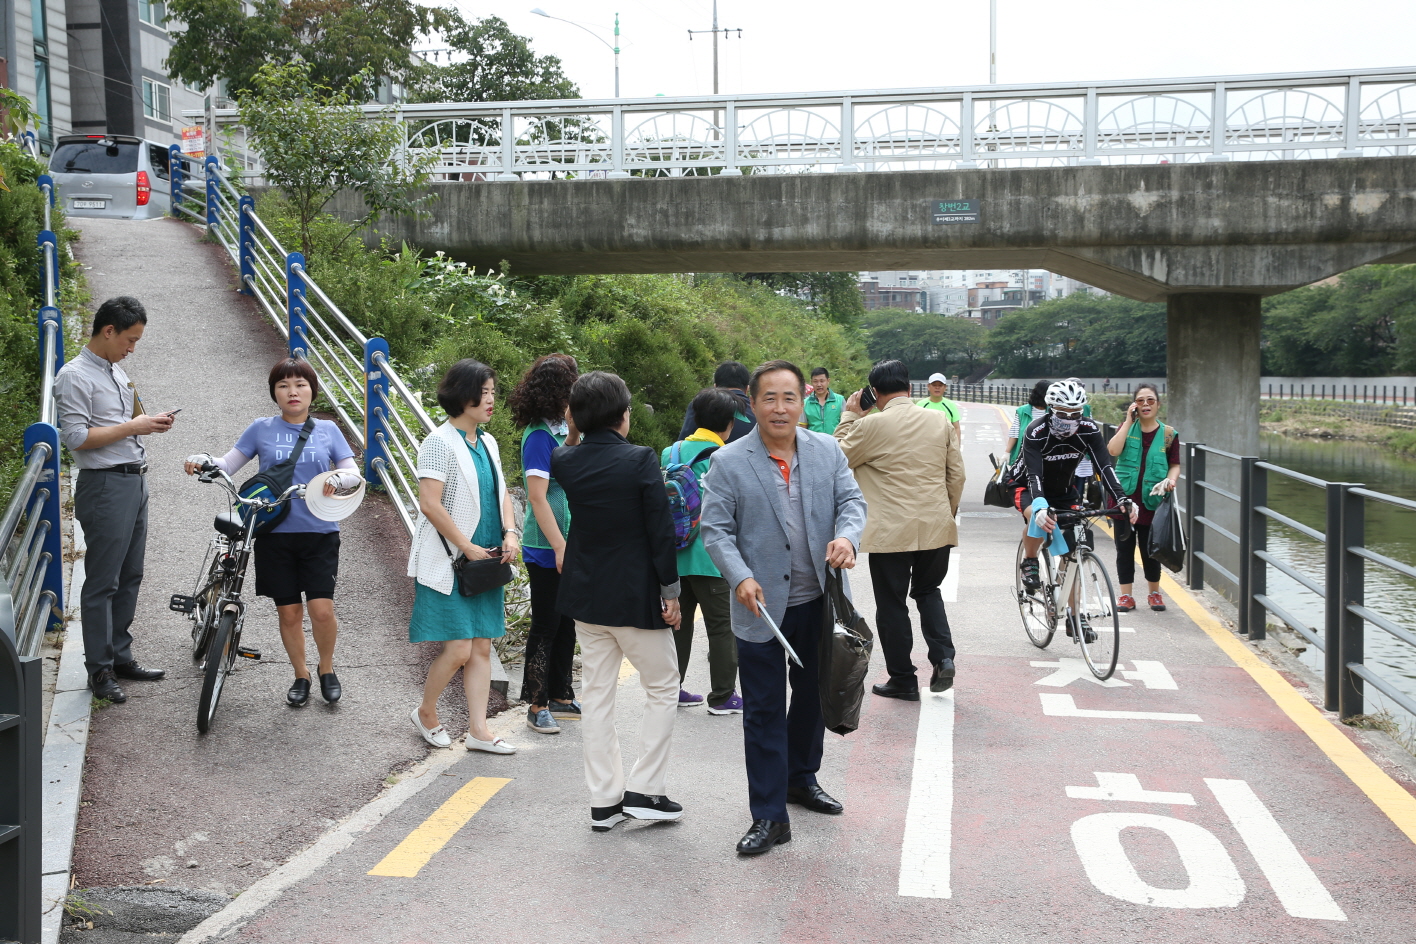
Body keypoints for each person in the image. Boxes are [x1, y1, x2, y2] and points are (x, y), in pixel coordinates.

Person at [701, 360, 867, 857]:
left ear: (803, 402)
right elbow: (716, 531)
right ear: (751, 404)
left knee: (814, 697)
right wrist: (740, 576)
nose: (779, 407)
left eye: (788, 397)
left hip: (819, 602)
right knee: (764, 710)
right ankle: (769, 814)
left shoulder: (827, 449)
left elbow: (852, 502)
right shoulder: (728, 461)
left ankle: (801, 778)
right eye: (769, 398)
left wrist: (846, 537)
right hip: (761, 609)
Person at [184, 358, 361, 706]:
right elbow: (228, 463)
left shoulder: (327, 430)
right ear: (274, 393)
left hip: (320, 532)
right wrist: (201, 459)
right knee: (289, 612)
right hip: (273, 532)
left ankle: (326, 668)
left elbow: (352, 472)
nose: (292, 392)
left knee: (322, 610)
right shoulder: (261, 429)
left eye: (300, 385)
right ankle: (301, 675)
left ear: (312, 391)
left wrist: (339, 479)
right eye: (283, 385)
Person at [553, 371, 685, 832]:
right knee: (663, 685)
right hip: (634, 596)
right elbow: (660, 530)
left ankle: (605, 801)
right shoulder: (640, 459)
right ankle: (645, 789)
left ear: (578, 416)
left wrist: (574, 428)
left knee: (596, 696)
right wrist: (671, 591)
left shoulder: (564, 459)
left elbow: (568, 448)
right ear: (623, 414)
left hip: (587, 599)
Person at [54, 296, 173, 703]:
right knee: (103, 581)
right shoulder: (74, 376)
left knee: (130, 574)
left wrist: (147, 424)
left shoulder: (115, 370)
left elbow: (123, 424)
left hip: (134, 481)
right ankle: (100, 669)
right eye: (130, 339)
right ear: (108, 331)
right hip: (105, 485)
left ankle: (121, 657)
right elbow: (75, 438)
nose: (132, 349)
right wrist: (134, 426)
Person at [407, 359, 521, 755]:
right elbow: (429, 503)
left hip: (487, 559)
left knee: (482, 648)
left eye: (493, 392)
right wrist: (466, 545)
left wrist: (510, 531)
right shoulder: (438, 442)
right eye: (484, 393)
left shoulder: (487, 442)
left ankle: (479, 731)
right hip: (452, 558)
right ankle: (426, 711)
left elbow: (501, 494)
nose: (491, 400)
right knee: (459, 649)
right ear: (463, 395)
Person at [836, 359, 966, 699]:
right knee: (928, 592)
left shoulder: (870, 425)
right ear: (910, 388)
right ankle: (943, 657)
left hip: (889, 533)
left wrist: (850, 416)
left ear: (874, 392)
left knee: (892, 605)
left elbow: (836, 459)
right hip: (936, 525)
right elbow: (957, 475)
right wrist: (946, 513)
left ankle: (903, 680)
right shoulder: (939, 420)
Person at [508, 354, 582, 735]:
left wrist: (573, 432)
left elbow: (569, 464)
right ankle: (536, 703)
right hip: (545, 546)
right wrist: (559, 547)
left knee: (567, 620)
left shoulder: (560, 430)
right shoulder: (538, 436)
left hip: (566, 540)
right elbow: (537, 497)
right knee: (546, 624)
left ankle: (561, 693)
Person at [1016, 380, 1136, 603]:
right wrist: (1040, 506)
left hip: (1064, 490)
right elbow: (1034, 475)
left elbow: (1105, 467)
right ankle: (1030, 560)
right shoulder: (1036, 431)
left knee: (1073, 551)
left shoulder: (1088, 429)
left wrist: (1122, 498)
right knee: (1037, 516)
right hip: (1027, 486)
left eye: (1076, 414)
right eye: (1063, 413)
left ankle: (1071, 612)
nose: (1070, 419)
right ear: (1051, 409)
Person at [661, 388, 742, 714]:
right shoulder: (728, 457)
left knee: (678, 625)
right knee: (721, 628)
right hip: (711, 558)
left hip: (674, 557)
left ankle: (672, 690)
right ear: (729, 424)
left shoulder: (670, 453)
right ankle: (722, 697)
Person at [1107, 383, 1181, 613]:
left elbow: (1175, 465)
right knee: (1124, 550)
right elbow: (1113, 450)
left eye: (1150, 400)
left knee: (1152, 550)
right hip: (1124, 501)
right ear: (1134, 405)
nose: (1146, 404)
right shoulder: (1126, 428)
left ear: (1158, 404)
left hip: (1152, 502)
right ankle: (1126, 596)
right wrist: (1128, 422)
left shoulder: (1169, 434)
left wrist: (1170, 480)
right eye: (1140, 401)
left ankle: (1154, 593)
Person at [678, 360, 756, 442]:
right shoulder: (757, 409)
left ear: (715, 387)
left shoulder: (701, 404)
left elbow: (683, 441)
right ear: (747, 389)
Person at [1005, 380, 1050, 467]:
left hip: (1046, 456)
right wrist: (1007, 452)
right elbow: (1015, 432)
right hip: (1024, 455)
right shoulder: (1022, 411)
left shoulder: (1053, 412)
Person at [916, 372, 962, 442]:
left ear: (945, 387)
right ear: (928, 386)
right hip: (925, 443)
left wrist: (957, 445)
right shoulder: (920, 405)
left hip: (945, 444)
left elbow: (956, 427)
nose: (937, 387)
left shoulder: (951, 405)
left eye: (940, 385)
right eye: (934, 385)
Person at [802, 367, 845, 433]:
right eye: (815, 381)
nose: (819, 385)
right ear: (811, 382)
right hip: (814, 439)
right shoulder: (805, 403)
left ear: (828, 381)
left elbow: (846, 424)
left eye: (822, 381)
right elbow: (803, 428)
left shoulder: (840, 400)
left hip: (835, 439)